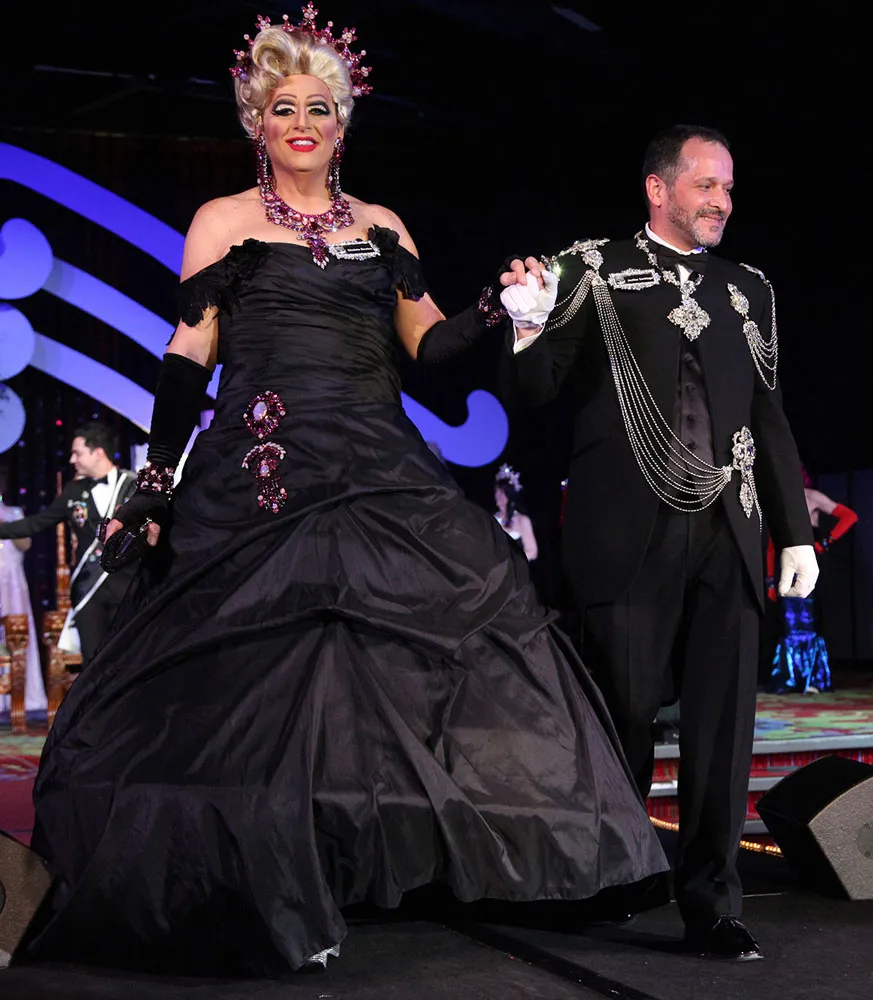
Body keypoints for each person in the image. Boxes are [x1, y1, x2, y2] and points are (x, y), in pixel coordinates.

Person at [10, 7, 668, 976]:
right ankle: (253, 883)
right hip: (264, 467)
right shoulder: (222, 222)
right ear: (257, 120)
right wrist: (156, 475)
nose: (303, 123)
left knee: (442, 634)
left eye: (320, 107)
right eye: (284, 107)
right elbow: (189, 357)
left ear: (342, 123)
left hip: (374, 460)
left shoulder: (383, 227)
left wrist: (497, 304)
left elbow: (429, 347)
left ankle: (404, 865)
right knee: (250, 675)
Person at [498, 123, 818, 961]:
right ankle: (612, 876)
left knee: (722, 725)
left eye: (728, 188)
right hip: (624, 532)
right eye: (705, 185)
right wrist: (525, 328)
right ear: (657, 188)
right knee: (622, 720)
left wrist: (794, 532)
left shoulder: (748, 288)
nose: (722, 202)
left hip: (727, 529)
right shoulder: (592, 269)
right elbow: (533, 392)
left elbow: (768, 415)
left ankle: (711, 902)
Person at [0, 422, 137, 669]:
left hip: (128, 587)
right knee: (93, 665)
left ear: (98, 453)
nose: (72, 460)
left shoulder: (133, 485)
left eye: (77, 453)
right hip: (88, 593)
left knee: (131, 661)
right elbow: (37, 523)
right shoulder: (74, 490)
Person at [765, 466, 858, 693]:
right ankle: (790, 678)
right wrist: (769, 580)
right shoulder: (779, 502)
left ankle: (814, 678)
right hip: (786, 564)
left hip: (810, 563)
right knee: (789, 623)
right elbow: (771, 544)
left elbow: (849, 516)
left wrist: (827, 541)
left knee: (810, 619)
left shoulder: (812, 497)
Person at [0, 475, 46, 716]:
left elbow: (25, 544)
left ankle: (21, 697)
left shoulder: (14, 513)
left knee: (17, 639)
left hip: (12, 586)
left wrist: (5, 525)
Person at [493, 463, 538, 561]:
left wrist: (511, 562)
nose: (499, 496)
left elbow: (532, 552)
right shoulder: (493, 519)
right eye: (497, 492)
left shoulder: (522, 520)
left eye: (502, 493)